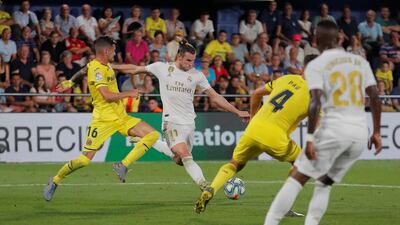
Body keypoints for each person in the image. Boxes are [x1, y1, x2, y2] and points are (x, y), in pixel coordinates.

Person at [264, 20, 382, 225]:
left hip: (334, 129)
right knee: (324, 184)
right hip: (360, 135)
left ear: (316, 40)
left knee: (296, 178)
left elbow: (315, 101)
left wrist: (309, 138)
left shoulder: (316, 64)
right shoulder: (360, 61)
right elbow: (374, 96)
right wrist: (377, 132)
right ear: (339, 38)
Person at [114, 40, 250, 190]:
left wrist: (237, 111)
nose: (191, 64)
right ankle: (205, 185)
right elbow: (134, 69)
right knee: (185, 155)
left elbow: (215, 97)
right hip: (171, 122)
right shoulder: (162, 68)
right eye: (188, 60)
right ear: (179, 56)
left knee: (179, 160)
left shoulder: (197, 75)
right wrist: (110, 66)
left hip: (189, 124)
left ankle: (147, 141)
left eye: (193, 60)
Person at [43, 36, 165, 201]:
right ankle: (55, 180)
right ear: (106, 51)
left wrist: (146, 68)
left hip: (121, 116)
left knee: (153, 135)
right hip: (103, 120)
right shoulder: (97, 70)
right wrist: (129, 93)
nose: (116, 52)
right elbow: (106, 96)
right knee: (84, 160)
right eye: (114, 50)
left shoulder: (103, 64)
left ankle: (123, 165)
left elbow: (116, 68)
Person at [194, 72, 310, 214]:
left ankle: (211, 189)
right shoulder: (316, 95)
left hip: (253, 129)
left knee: (234, 164)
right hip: (275, 136)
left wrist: (253, 118)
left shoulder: (286, 78)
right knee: (301, 165)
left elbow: (256, 93)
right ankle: (284, 207)